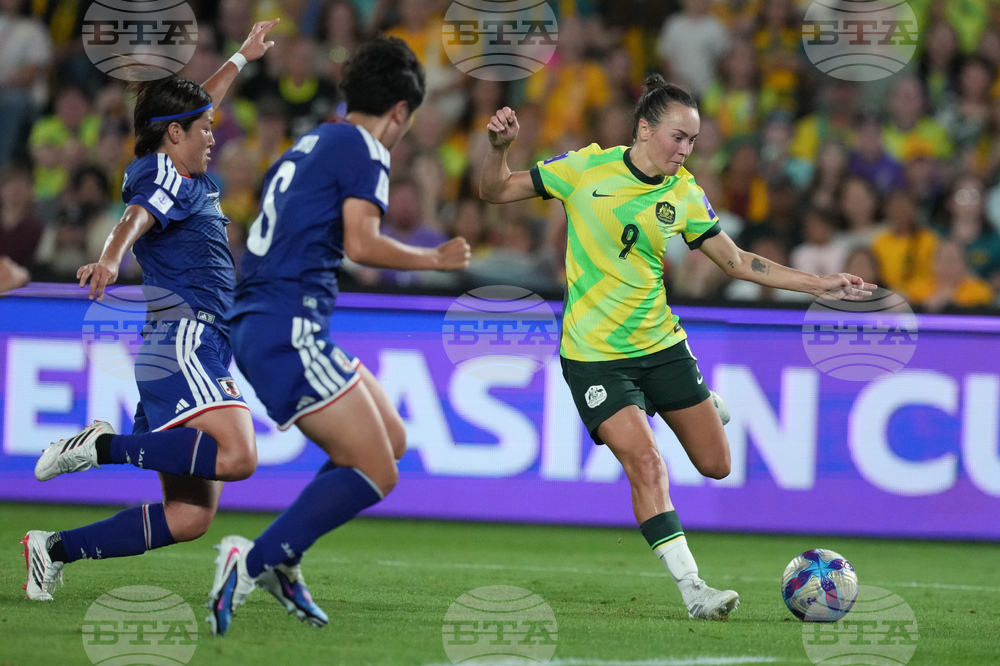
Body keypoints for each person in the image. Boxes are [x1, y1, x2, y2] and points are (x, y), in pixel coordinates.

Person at [479, 75, 874, 621]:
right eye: (678, 137)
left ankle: (704, 403)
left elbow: (737, 263)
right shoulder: (584, 169)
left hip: (662, 346)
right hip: (594, 357)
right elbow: (495, 191)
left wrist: (820, 284)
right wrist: (498, 150)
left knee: (715, 464)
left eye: (692, 141)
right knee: (645, 461)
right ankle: (694, 590)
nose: (685, 150)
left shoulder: (682, 192)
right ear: (645, 128)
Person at [205, 36, 470, 636]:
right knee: (379, 471)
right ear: (401, 111)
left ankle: (283, 559)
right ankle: (253, 562)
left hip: (268, 319)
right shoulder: (368, 149)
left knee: (392, 439)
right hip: (287, 327)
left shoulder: (311, 141)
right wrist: (437, 259)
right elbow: (361, 244)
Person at [21, 20, 280, 602]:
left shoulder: (181, 166)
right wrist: (110, 259)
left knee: (189, 518)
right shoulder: (162, 172)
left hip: (189, 343)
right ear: (172, 135)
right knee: (238, 457)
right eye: (204, 129)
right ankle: (101, 447)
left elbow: (203, 100)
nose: (214, 136)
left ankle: (50, 549)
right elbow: (136, 216)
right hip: (186, 337)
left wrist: (242, 54)